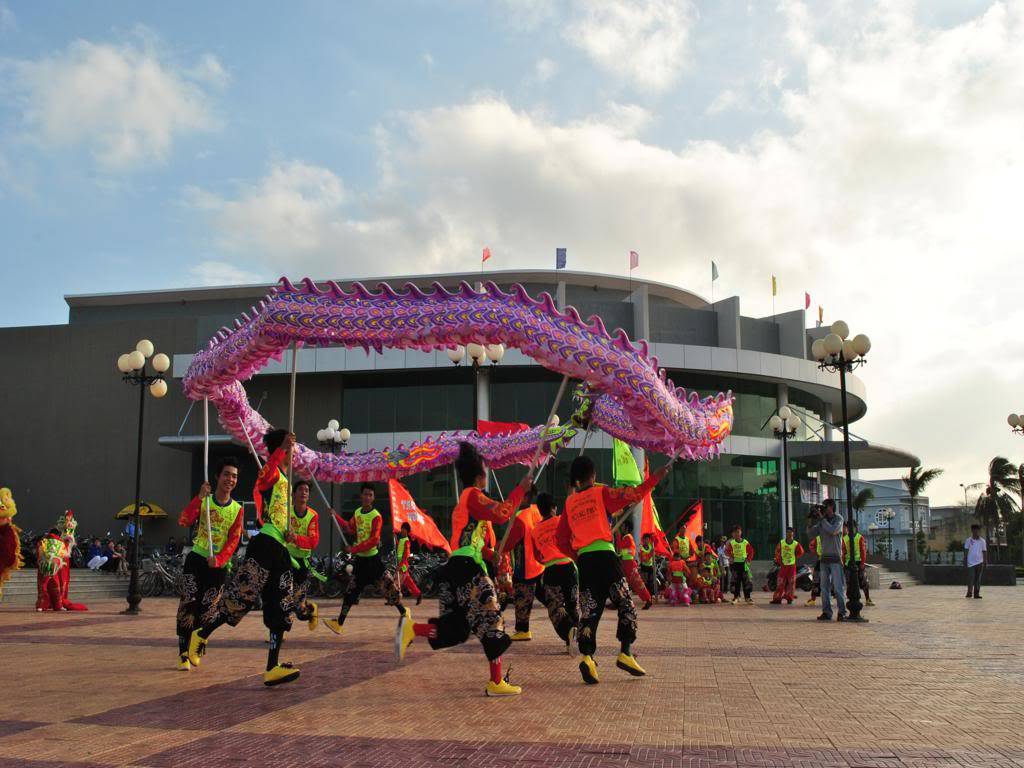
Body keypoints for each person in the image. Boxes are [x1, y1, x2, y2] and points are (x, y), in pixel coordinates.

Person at [397, 442, 531, 697]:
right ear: (480, 476)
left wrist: (490, 554)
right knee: (492, 617)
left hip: (457, 568)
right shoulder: (472, 495)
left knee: (456, 629)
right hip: (467, 570)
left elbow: (468, 543)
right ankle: (495, 681)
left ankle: (412, 629)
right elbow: (503, 513)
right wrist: (520, 491)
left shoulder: (465, 502)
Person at [186, 430, 304, 686]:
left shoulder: (286, 478)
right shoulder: (271, 472)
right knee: (241, 599)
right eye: (289, 448)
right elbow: (262, 483)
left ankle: (272, 667)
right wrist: (281, 449)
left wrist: (289, 532)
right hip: (264, 546)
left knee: (281, 606)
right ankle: (201, 634)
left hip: (280, 548)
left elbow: (276, 515)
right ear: (281, 449)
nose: (293, 453)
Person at [558, 454, 668, 685]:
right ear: (593, 476)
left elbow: (560, 540)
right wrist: (655, 477)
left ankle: (587, 658)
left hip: (585, 562)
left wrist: (577, 556)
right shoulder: (602, 493)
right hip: (607, 558)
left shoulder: (569, 504)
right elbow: (634, 494)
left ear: (576, 480)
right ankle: (625, 652)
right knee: (626, 602)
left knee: (590, 610)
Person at [175, 458, 244, 671]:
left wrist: (221, 559)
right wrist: (198, 498)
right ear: (217, 477)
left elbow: (234, 540)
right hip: (196, 559)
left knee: (207, 610)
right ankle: (183, 653)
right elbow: (184, 520)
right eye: (226, 474)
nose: (230, 479)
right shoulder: (205, 501)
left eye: (234, 476)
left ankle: (198, 646)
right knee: (189, 605)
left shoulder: (238, 510)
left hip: (218, 566)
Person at [324, 483, 406, 636]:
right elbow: (350, 528)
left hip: (373, 561)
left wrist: (353, 549)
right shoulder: (357, 513)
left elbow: (374, 540)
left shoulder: (376, 516)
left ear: (373, 498)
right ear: (361, 496)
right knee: (351, 592)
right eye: (365, 494)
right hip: (360, 562)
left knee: (389, 587)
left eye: (370, 494)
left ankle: (403, 612)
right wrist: (335, 516)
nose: (367, 497)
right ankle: (339, 623)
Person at [529, 492, 579, 653]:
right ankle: (573, 639)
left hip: (551, 571)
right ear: (553, 508)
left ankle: (568, 635)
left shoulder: (535, 531)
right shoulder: (561, 521)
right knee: (572, 605)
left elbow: (537, 555)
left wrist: (547, 561)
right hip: (568, 568)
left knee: (556, 608)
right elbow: (573, 540)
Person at [504, 486, 545, 640]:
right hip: (540, 563)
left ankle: (522, 630)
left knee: (521, 597)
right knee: (546, 597)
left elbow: (509, 544)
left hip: (525, 566)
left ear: (525, 498)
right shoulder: (536, 511)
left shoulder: (520, 519)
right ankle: (566, 623)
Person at [285, 479, 321, 632]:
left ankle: (311, 609)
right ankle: (281, 631)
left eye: (306, 490)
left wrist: (296, 538)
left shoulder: (312, 516)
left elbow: (313, 542)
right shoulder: (286, 512)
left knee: (299, 609)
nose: (303, 493)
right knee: (284, 596)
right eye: (300, 489)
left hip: (303, 562)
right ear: (293, 494)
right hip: (286, 559)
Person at [808, 499, 846, 621]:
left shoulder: (838, 519)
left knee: (838, 587)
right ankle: (826, 612)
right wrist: (810, 519)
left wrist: (821, 519)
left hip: (835, 558)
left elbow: (832, 531)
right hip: (824, 559)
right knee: (824, 588)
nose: (823, 509)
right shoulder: (821, 522)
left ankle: (842, 612)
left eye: (825, 507)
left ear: (831, 507)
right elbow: (810, 533)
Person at [616, 525, 653, 609]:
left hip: (629, 563)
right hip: (626, 563)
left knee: (637, 583)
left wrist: (617, 535)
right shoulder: (627, 537)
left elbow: (620, 547)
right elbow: (622, 550)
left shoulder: (627, 537)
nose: (621, 528)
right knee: (623, 582)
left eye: (622, 527)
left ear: (626, 528)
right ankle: (621, 601)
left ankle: (648, 599)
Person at [771, 527, 805, 605]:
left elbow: (801, 552)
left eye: (791, 532)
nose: (789, 534)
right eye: (788, 532)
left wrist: (795, 556)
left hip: (792, 566)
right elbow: (777, 551)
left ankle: (790, 598)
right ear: (786, 533)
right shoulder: (782, 542)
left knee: (791, 583)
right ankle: (777, 599)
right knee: (780, 582)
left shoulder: (796, 544)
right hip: (783, 566)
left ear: (793, 533)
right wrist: (779, 560)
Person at [843, 522, 873, 607]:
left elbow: (863, 551)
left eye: (852, 527)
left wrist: (862, 563)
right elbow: (843, 552)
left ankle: (867, 599)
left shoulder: (859, 537)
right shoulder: (844, 539)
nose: (850, 529)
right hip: (848, 563)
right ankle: (850, 599)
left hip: (859, 562)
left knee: (863, 581)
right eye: (848, 527)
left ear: (855, 527)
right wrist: (843, 563)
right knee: (849, 582)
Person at [36, 529, 67, 611]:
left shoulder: (42, 542)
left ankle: (41, 605)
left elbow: (38, 555)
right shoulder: (60, 543)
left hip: (43, 568)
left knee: (43, 587)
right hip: (54, 568)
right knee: (56, 587)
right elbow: (63, 556)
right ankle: (58, 606)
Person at [726, 525, 755, 604]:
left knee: (746, 581)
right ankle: (736, 597)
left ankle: (748, 598)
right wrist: (731, 557)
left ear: (741, 532)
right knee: (736, 581)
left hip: (744, 564)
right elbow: (727, 551)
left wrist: (748, 559)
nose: (736, 534)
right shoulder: (731, 543)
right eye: (735, 532)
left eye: (738, 532)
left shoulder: (745, 542)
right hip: (735, 564)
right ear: (733, 534)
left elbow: (751, 551)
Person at [395, 521, 422, 605]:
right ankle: (418, 594)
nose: (402, 530)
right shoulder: (402, 540)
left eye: (403, 529)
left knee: (396, 582)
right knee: (408, 582)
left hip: (403, 565)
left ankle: (394, 598)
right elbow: (398, 547)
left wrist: (400, 565)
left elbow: (405, 555)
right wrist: (395, 537)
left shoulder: (406, 541)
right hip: (402, 564)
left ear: (407, 531)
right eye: (401, 529)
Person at [964, 524, 987, 599]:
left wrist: (985, 561)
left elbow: (984, 551)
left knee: (978, 579)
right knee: (971, 578)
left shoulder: (982, 541)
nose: (976, 532)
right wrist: (965, 561)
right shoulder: (968, 540)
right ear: (972, 531)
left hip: (979, 562)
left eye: (978, 530)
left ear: (979, 531)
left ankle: (976, 593)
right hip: (970, 563)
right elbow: (966, 551)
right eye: (975, 530)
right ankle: (969, 592)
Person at [638, 533, 659, 601]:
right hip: (644, 567)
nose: (646, 541)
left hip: (651, 566)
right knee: (645, 582)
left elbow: (657, 542)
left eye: (648, 539)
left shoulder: (651, 545)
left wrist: (653, 536)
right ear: (643, 540)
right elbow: (645, 559)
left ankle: (651, 595)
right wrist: (650, 553)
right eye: (645, 539)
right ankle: (647, 596)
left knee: (651, 581)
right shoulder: (641, 548)